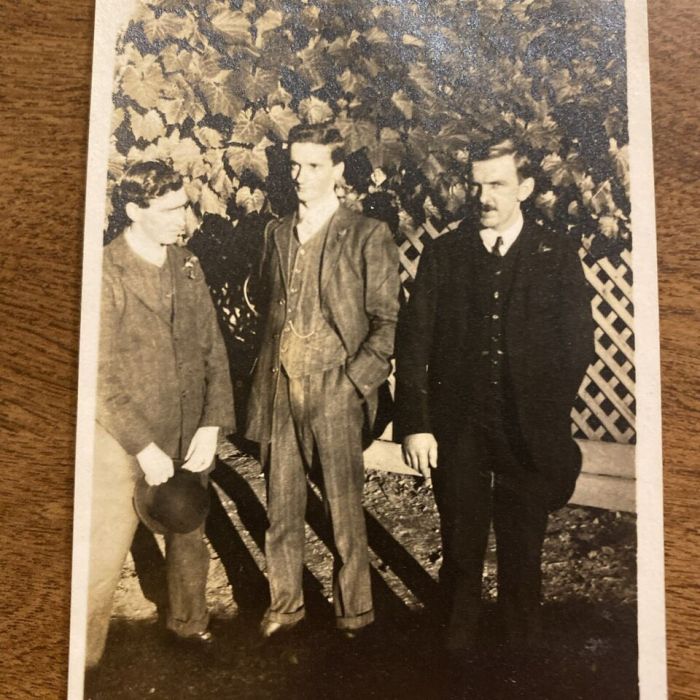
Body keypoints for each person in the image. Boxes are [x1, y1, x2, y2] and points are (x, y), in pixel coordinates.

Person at [395, 135, 594, 659]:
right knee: (461, 542)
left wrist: (544, 415)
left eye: (498, 184)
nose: (483, 196)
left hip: (526, 431)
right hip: (457, 426)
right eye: (476, 184)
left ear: (525, 188)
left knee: (522, 548)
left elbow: (576, 347)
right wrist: (415, 422)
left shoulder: (554, 254)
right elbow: (413, 343)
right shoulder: (445, 253)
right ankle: (455, 655)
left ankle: (521, 657)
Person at [246, 123, 401, 640]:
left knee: (342, 508)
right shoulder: (275, 232)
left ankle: (355, 612)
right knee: (282, 507)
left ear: (337, 171)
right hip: (280, 388)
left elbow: (387, 322)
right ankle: (284, 606)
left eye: (313, 166)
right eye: (294, 165)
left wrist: (355, 382)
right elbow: (272, 312)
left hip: (335, 388)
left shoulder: (367, 234)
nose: (300, 176)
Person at [86, 161, 235, 670]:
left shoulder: (188, 264)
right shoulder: (103, 273)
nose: (185, 219)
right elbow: (97, 374)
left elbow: (213, 349)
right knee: (102, 553)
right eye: (172, 210)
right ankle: (79, 659)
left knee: (188, 531)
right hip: (122, 439)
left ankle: (189, 626)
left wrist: (212, 423)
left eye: (186, 206)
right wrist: (143, 446)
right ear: (133, 211)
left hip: (188, 429)